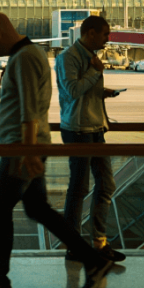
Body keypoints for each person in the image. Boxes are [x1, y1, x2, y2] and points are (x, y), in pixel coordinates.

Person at [0, 12, 113, 288]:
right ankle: (93, 261)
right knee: (38, 209)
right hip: (26, 146)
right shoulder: (26, 55)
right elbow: (19, 97)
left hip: (23, 147)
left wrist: (29, 151)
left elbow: (30, 107)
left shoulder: (25, 57)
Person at [56, 15, 125, 263]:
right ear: (91, 33)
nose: (108, 39)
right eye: (105, 34)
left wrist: (101, 91)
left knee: (106, 185)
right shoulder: (68, 57)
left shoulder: (91, 57)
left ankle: (99, 242)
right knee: (79, 188)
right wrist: (96, 73)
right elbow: (72, 90)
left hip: (95, 128)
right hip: (78, 130)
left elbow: (82, 90)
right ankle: (74, 246)